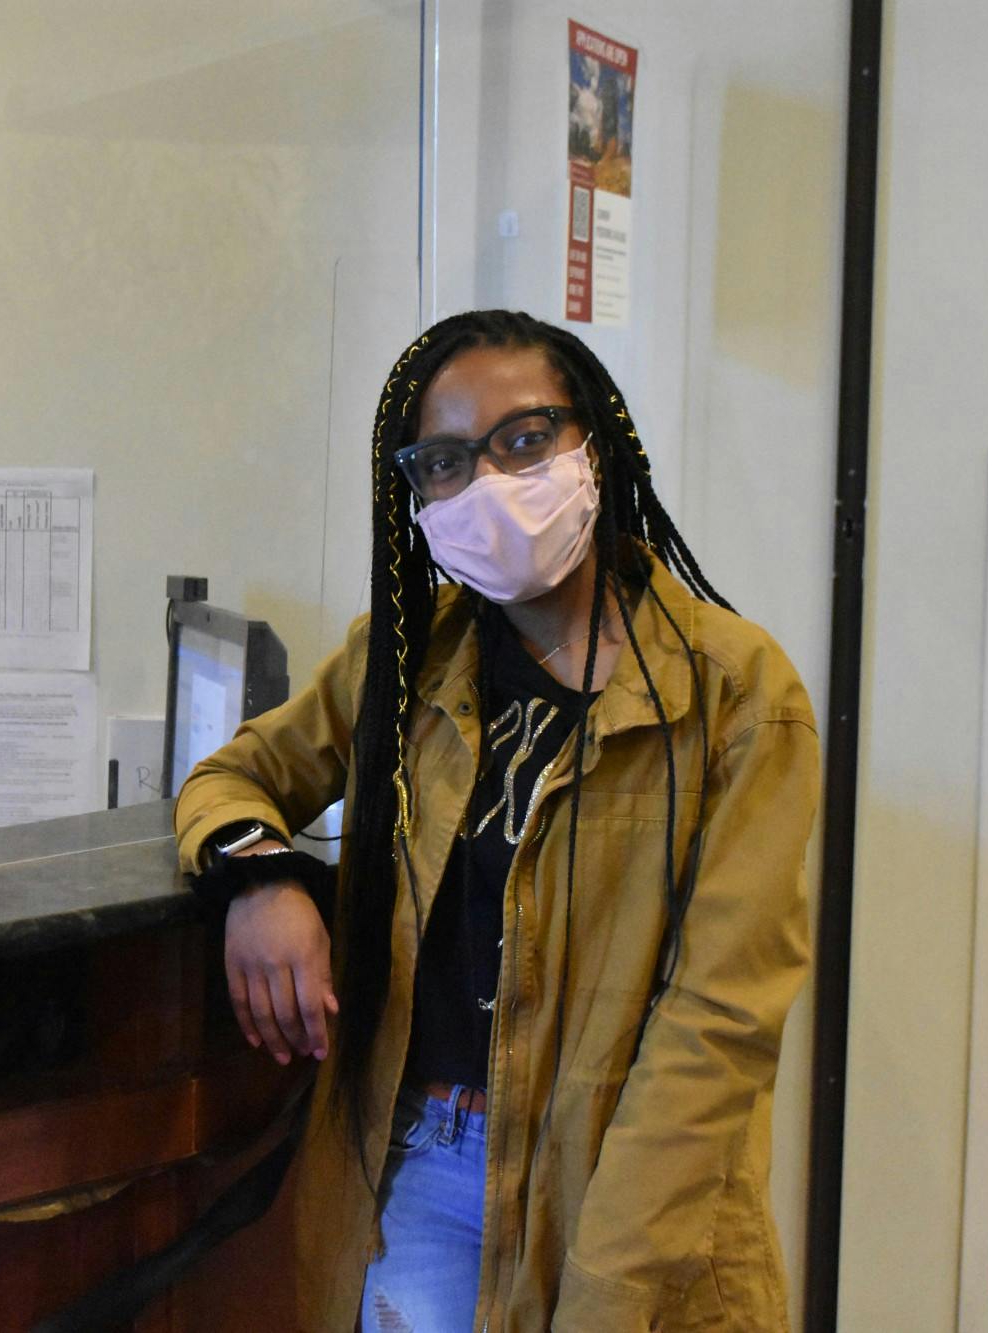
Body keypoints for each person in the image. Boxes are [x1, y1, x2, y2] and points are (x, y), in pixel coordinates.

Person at [175, 309, 818, 1332]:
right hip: (424, 1165)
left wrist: (607, 1287)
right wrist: (260, 877)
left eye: (523, 439)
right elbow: (232, 776)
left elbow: (719, 1025)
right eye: (443, 461)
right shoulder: (407, 658)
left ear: (593, 444)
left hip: (623, 1181)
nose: (487, 481)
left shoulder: (736, 693)